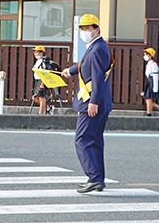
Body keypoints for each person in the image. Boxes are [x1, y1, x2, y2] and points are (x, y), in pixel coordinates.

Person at [61, 14, 114, 193]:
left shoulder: (98, 48)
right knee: (95, 141)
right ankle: (98, 178)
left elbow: (98, 77)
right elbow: (85, 64)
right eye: (82, 29)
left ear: (96, 29)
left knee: (82, 140)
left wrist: (93, 102)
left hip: (92, 103)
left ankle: (94, 178)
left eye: (87, 29)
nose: (84, 32)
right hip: (99, 102)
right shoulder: (96, 46)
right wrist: (70, 70)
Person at [142, 47, 159, 117]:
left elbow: (155, 76)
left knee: (148, 99)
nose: (145, 56)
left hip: (152, 82)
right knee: (148, 100)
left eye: (146, 54)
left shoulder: (153, 64)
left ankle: (149, 114)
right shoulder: (148, 64)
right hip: (149, 81)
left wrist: (155, 87)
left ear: (150, 56)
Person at [31, 45, 54, 115]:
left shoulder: (43, 62)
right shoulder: (38, 61)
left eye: (37, 52)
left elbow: (45, 73)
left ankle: (40, 114)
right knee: (35, 97)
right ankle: (48, 108)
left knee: (42, 97)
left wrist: (42, 84)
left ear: (41, 53)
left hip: (42, 81)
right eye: (34, 52)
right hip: (38, 81)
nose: (35, 53)